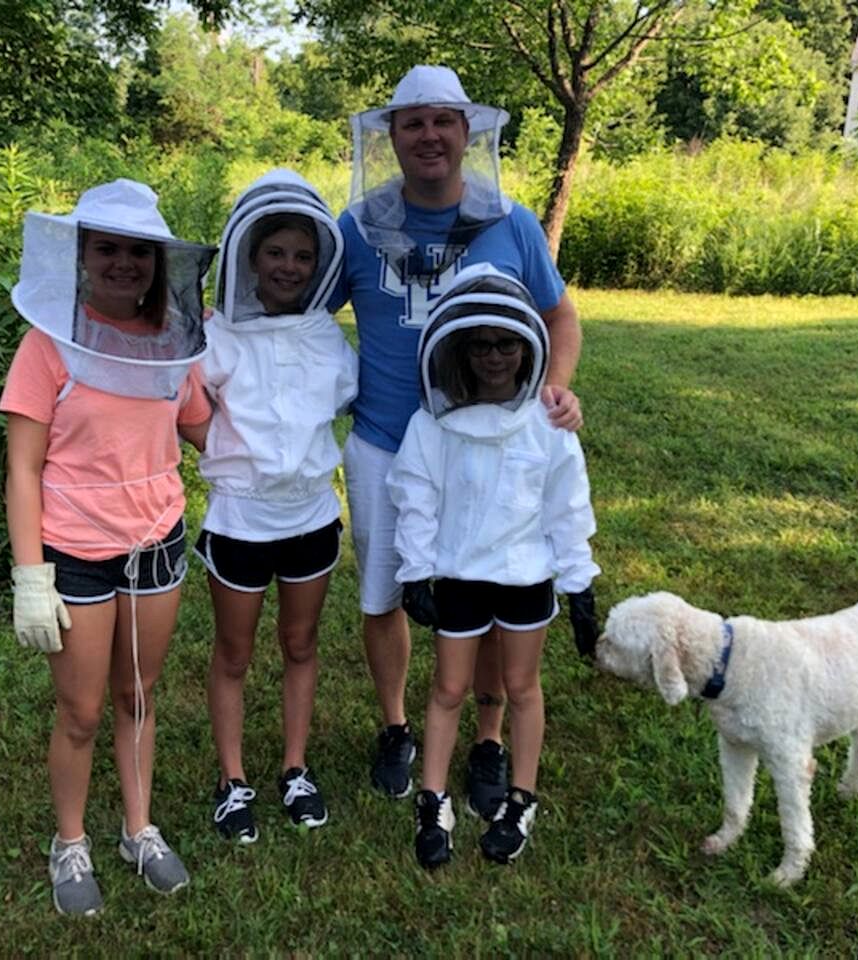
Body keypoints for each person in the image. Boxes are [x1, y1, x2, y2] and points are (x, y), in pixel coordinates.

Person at [328, 64, 590, 811]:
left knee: (493, 581)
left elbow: (559, 316)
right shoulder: (359, 226)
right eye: (413, 123)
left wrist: (555, 387)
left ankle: (487, 740)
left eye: (444, 120)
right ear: (392, 137)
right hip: (386, 440)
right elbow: (299, 301)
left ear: (468, 132)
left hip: (494, 445)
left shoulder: (508, 223)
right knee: (386, 593)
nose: (429, 135)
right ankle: (396, 727)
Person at [1, 179, 216, 915]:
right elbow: (23, 467)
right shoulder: (47, 344)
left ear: (160, 262)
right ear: (82, 255)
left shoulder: (174, 345)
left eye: (138, 251)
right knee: (82, 710)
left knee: (139, 694)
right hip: (75, 552)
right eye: (108, 248)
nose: (124, 263)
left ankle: (138, 828)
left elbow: (203, 430)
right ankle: (70, 842)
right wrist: (31, 575)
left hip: (156, 542)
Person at [387, 264, 600, 868]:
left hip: (527, 580)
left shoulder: (548, 426)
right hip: (459, 577)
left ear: (528, 344)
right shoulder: (432, 425)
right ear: (458, 346)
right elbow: (416, 497)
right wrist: (415, 572)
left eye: (507, 343)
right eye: (481, 343)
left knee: (521, 688)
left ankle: (521, 798)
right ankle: (433, 799)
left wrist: (579, 584)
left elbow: (568, 506)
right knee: (449, 688)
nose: (495, 356)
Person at [193, 169, 358, 842]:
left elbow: (341, 402)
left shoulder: (326, 335)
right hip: (240, 518)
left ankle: (295, 766)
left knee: (300, 643)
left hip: (311, 517)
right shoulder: (218, 335)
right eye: (275, 253)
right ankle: (233, 780)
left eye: (301, 255)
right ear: (247, 258)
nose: (288, 266)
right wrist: (235, 453)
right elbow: (185, 409)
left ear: (317, 265)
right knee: (233, 652)